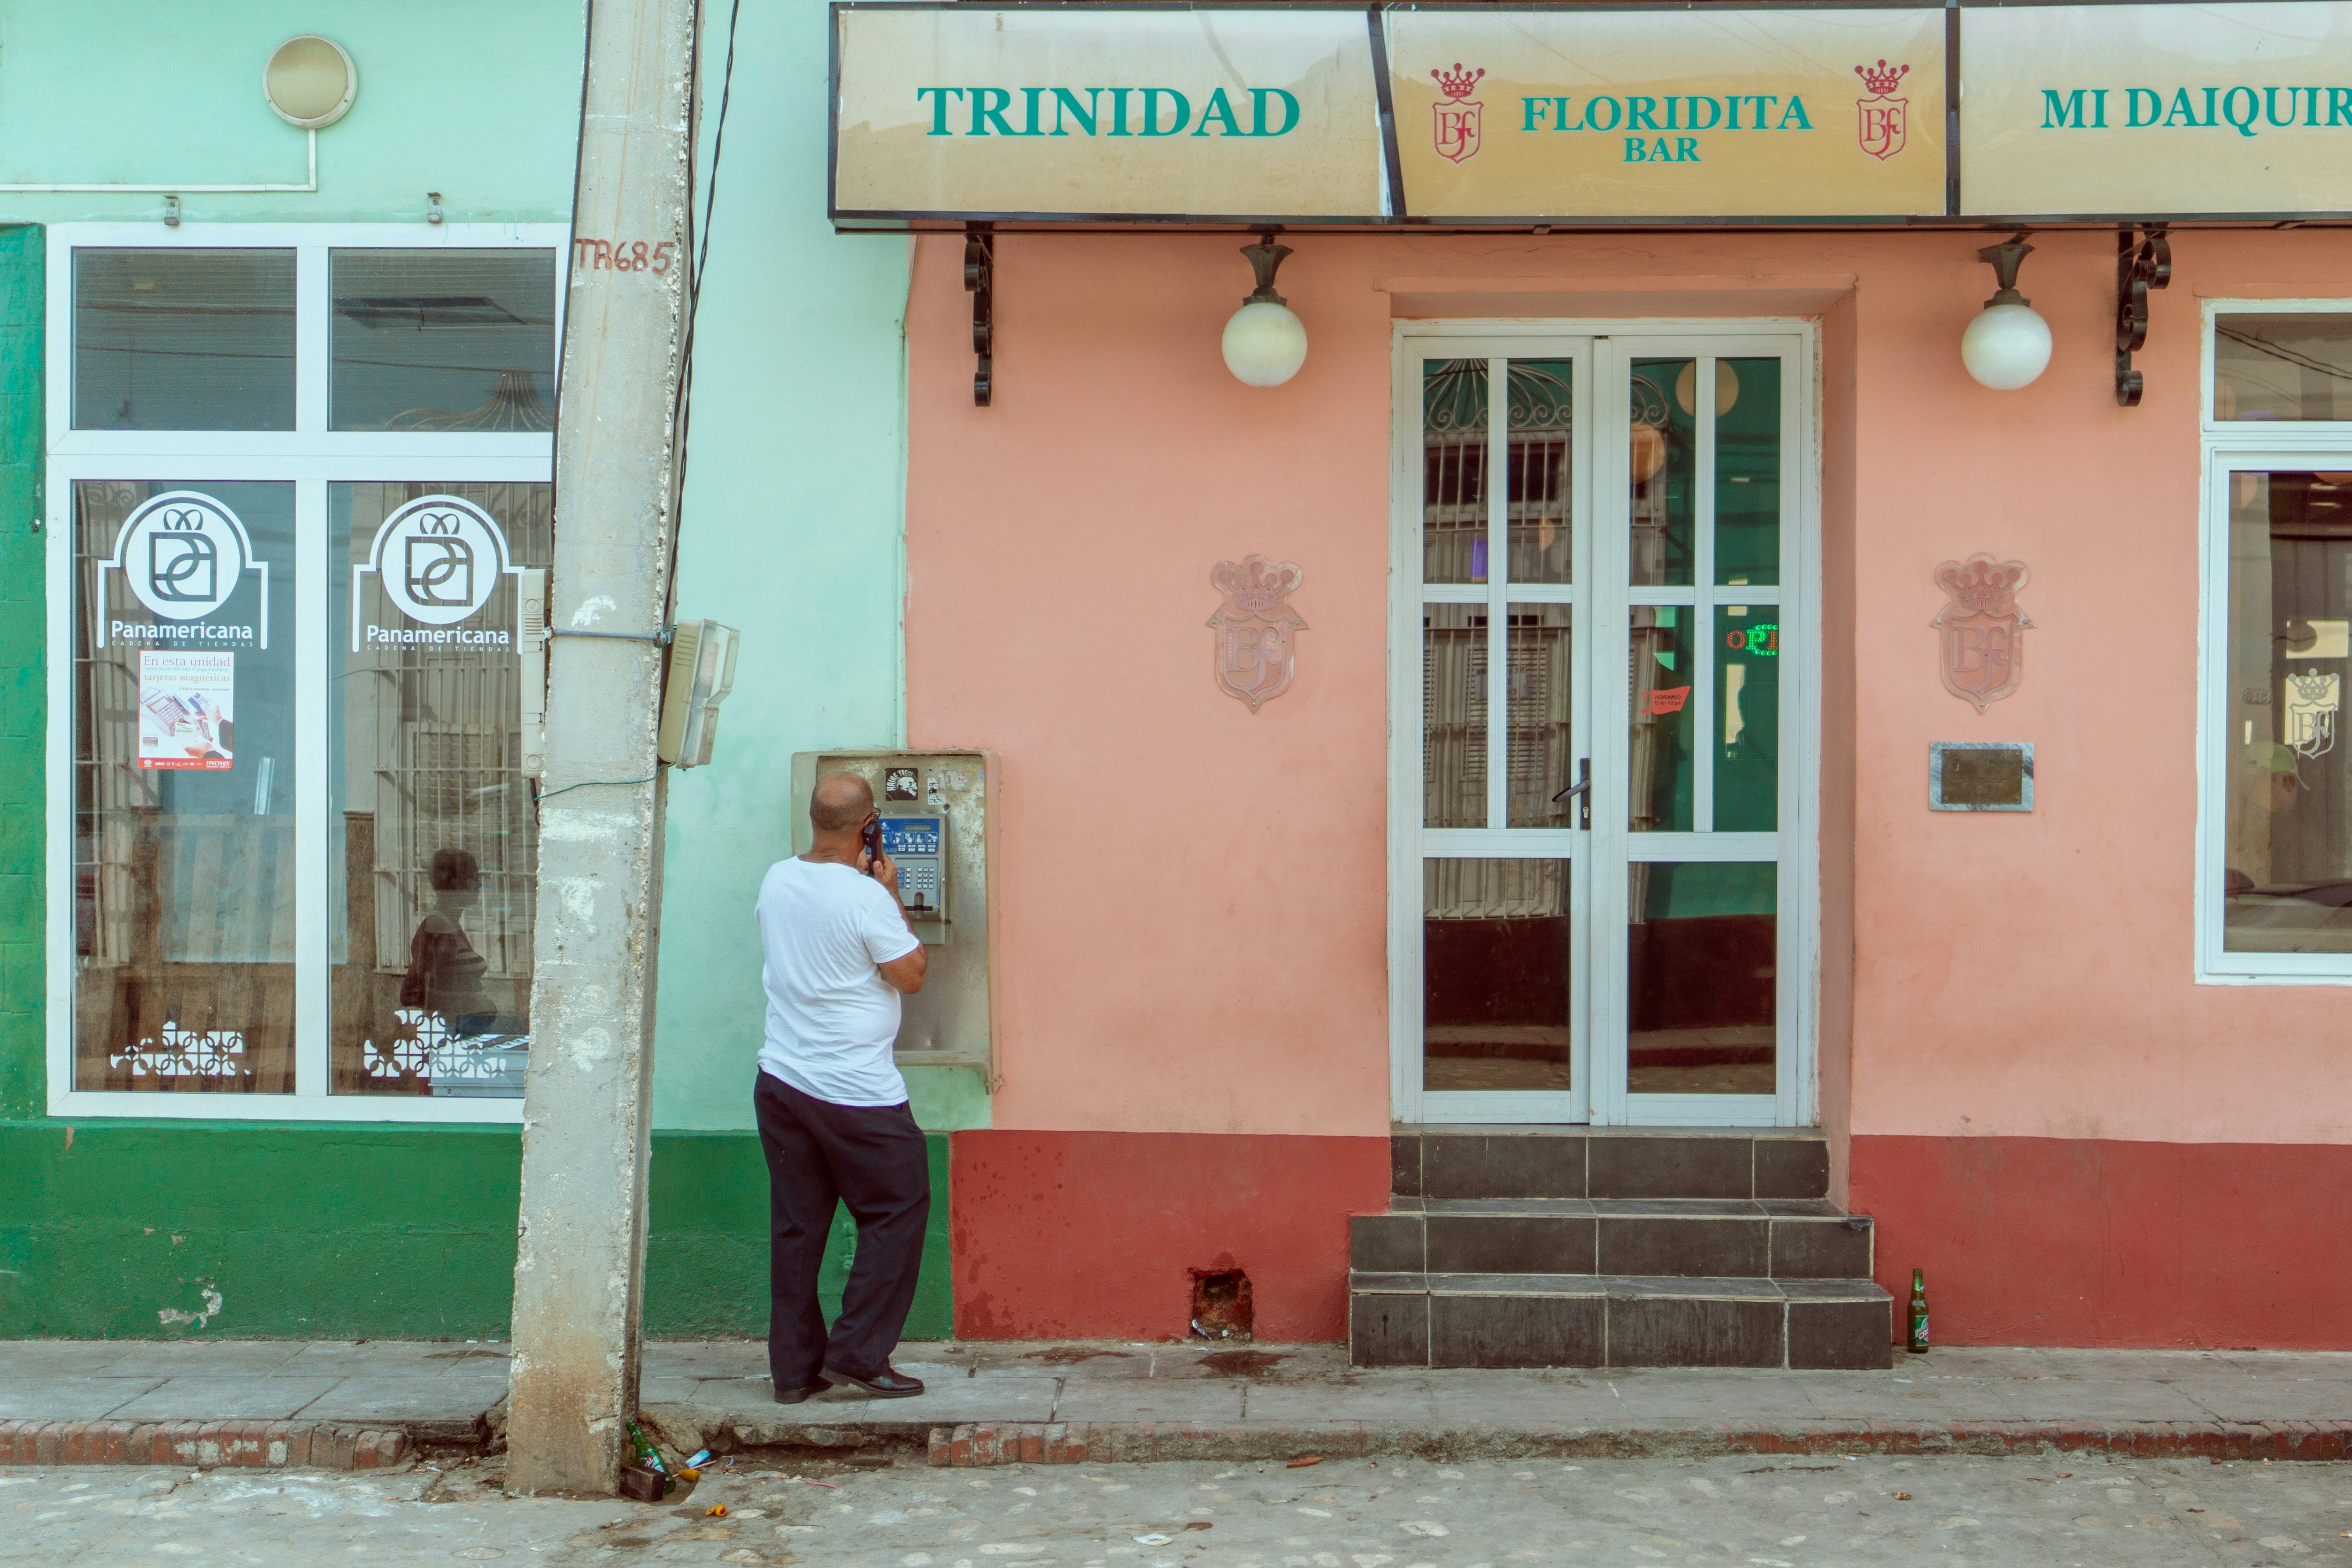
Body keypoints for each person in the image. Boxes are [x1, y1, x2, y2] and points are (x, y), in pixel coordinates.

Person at [753, 771, 932, 1403]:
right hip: (856, 1090)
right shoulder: (865, 898)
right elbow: (910, 973)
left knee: (798, 1226)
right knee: (899, 1205)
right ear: (868, 825)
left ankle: (795, 1371)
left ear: (812, 818)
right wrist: (890, 893)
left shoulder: (777, 879)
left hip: (782, 1080)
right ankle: (859, 1350)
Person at [405, 848, 497, 1037]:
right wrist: (475, 1006)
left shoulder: (449, 926)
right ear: (454, 884)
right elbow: (424, 993)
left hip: (462, 1031)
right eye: (474, 878)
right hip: (452, 1034)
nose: (479, 885)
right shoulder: (439, 928)